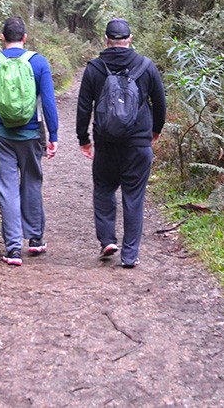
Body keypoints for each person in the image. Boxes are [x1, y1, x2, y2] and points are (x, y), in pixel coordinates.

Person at [75, 18, 166, 268]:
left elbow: (84, 106)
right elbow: (160, 103)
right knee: (134, 197)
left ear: (106, 40)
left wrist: (84, 139)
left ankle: (107, 239)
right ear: (130, 39)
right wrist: (155, 132)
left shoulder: (94, 68)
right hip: (138, 144)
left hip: (106, 143)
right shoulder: (147, 67)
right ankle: (129, 255)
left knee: (104, 189)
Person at [0, 16, 60, 266]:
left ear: (2, 37)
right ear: (24, 38)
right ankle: (35, 240)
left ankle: (13, 249)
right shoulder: (38, 62)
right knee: (32, 183)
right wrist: (52, 135)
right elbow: (49, 103)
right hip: (31, 133)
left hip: (1, 135)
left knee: (7, 189)